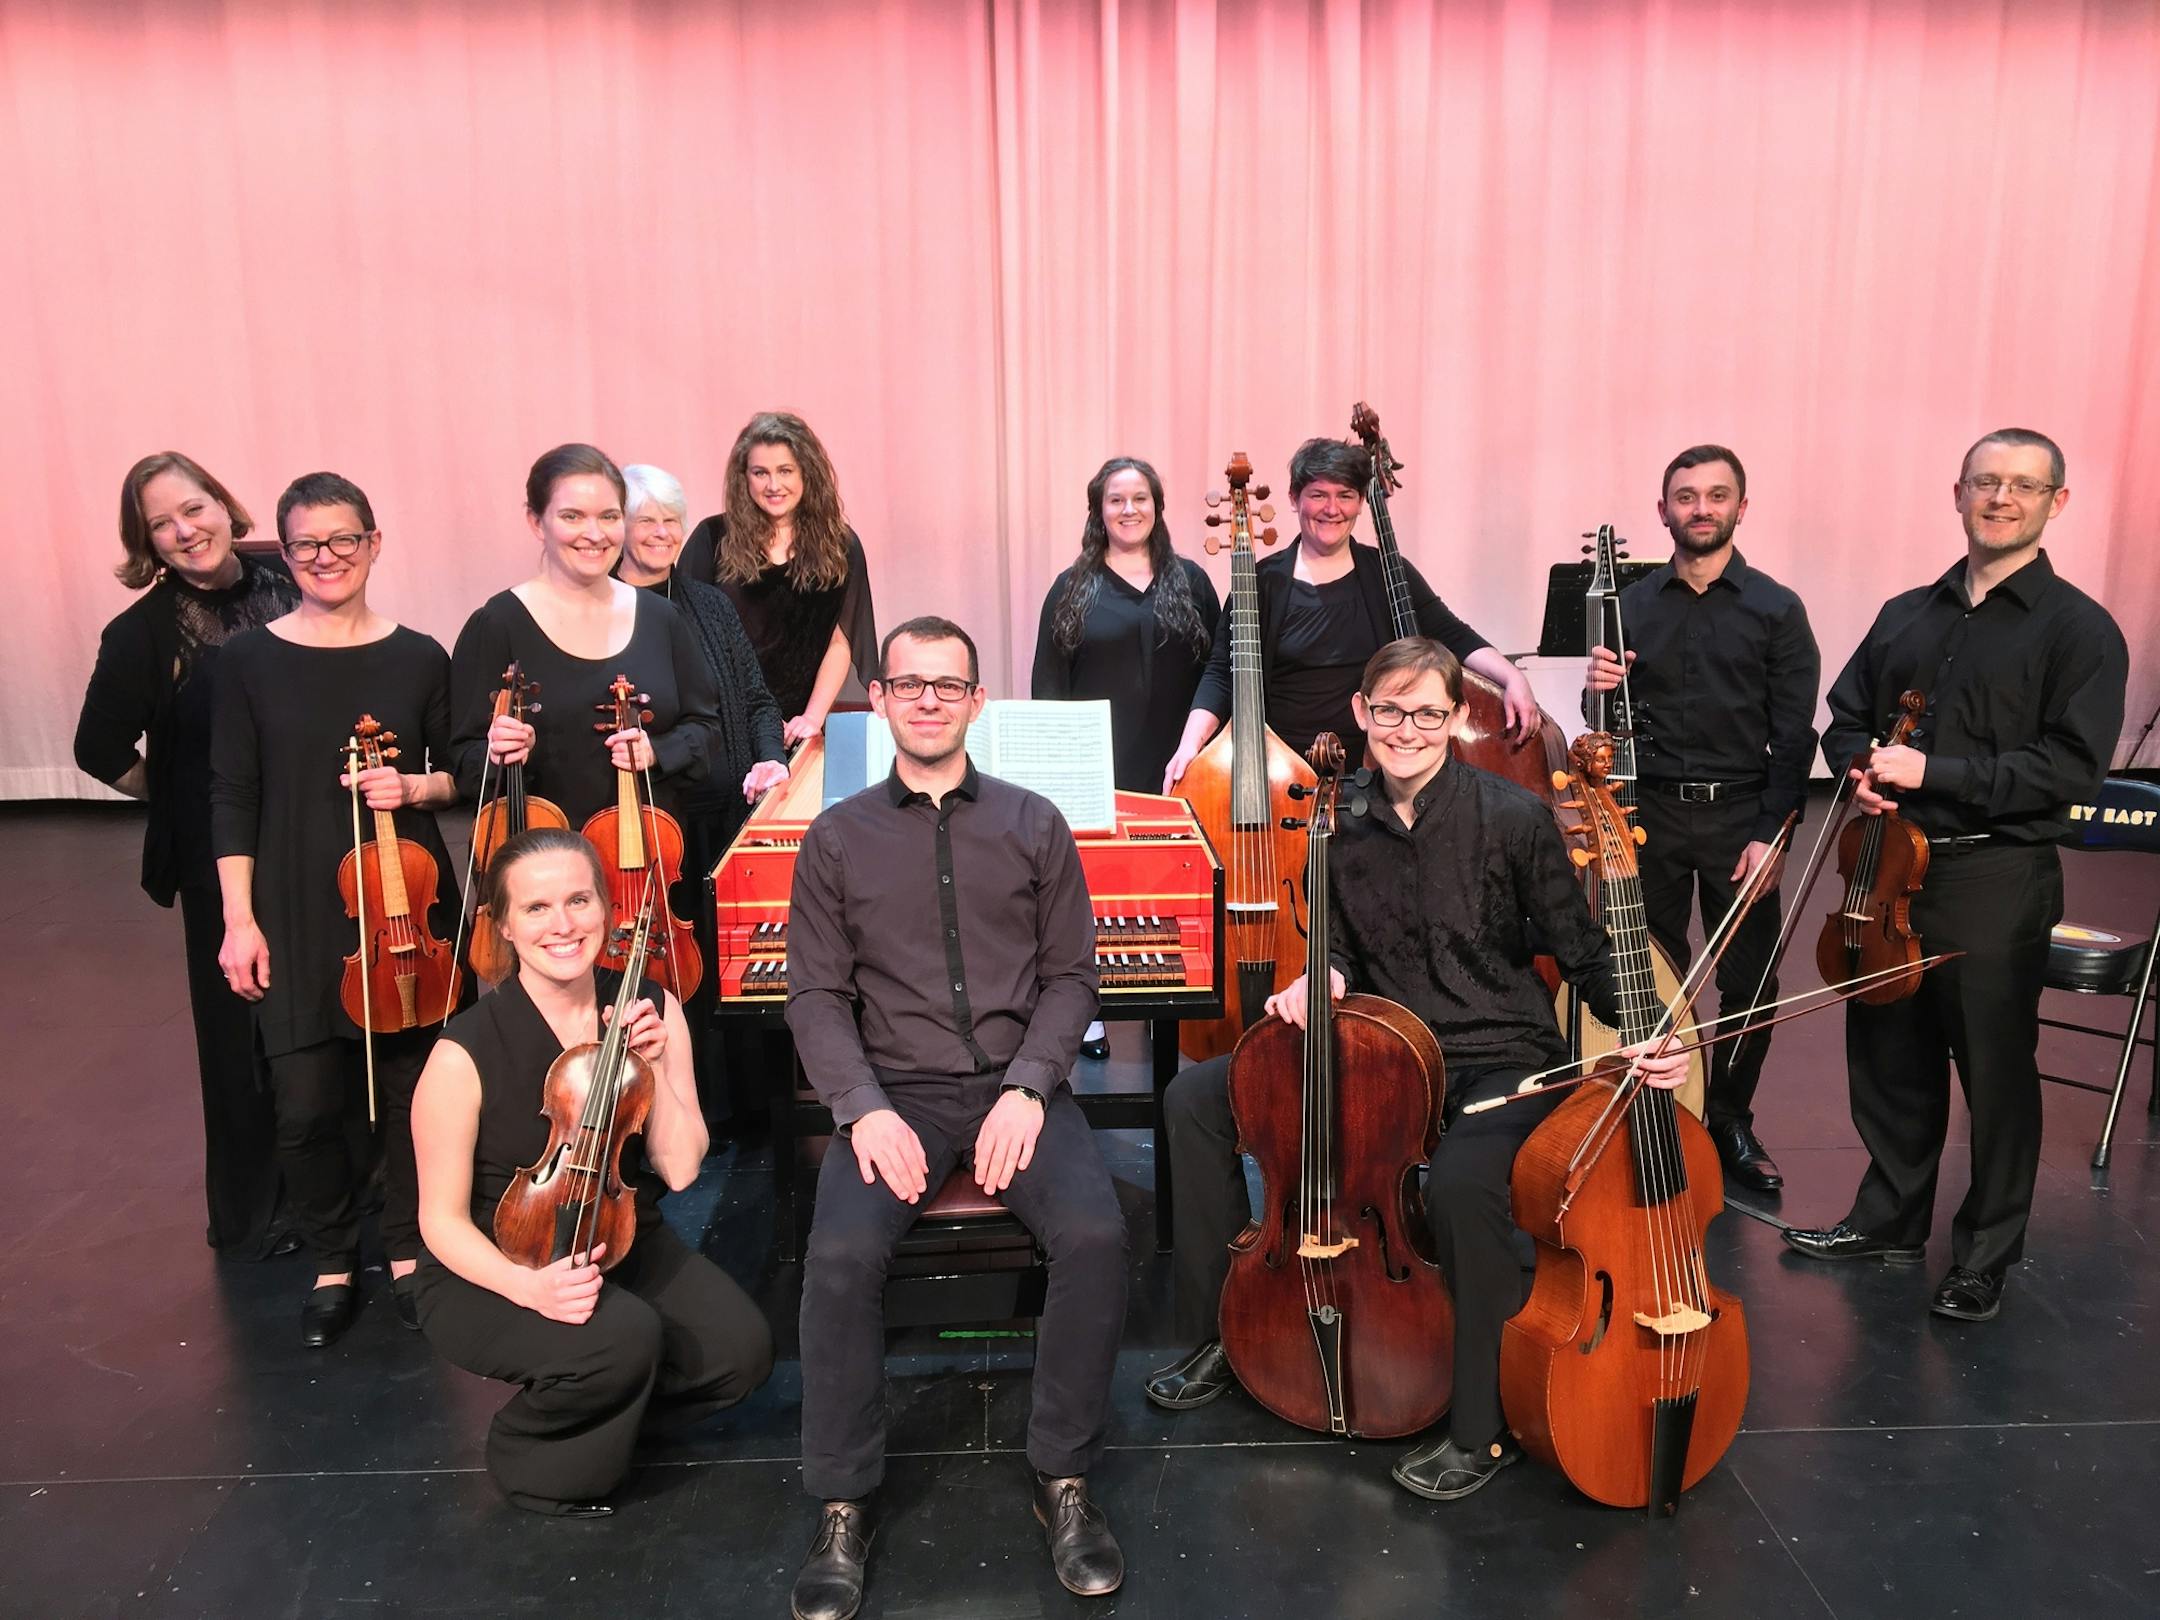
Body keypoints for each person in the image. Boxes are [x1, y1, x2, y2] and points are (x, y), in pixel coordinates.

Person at [1143, 637, 1689, 1501]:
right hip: (1381, 1049)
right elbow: (1342, 951)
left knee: (1464, 1185)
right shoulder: (1334, 818)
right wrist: (1322, 974)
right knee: (1197, 1098)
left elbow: (1584, 955)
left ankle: (1478, 1427)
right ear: (1361, 715)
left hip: (1495, 1057)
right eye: (1390, 710)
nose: (1408, 729)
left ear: (1456, 717)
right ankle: (1223, 1328)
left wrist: (1653, 1031)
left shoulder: (1512, 818)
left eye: (1429, 712)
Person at [785, 617, 1128, 1618]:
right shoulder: (836, 836)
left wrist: (1029, 1085)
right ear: (882, 700)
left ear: (979, 702)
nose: (928, 699)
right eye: (909, 684)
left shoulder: (1034, 823)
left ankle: (1062, 1477)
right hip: (895, 1095)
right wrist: (858, 1109)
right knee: (841, 1261)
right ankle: (844, 1501)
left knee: (1099, 1236)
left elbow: (1072, 975)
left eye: (949, 684)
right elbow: (813, 997)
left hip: (1017, 1089)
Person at [1783, 429, 2127, 1323]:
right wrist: (1858, 763)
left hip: (1994, 875)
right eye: (1985, 482)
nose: (2000, 497)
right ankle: (1889, 1219)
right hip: (1889, 871)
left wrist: (1933, 774)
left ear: (2057, 502)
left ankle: (1984, 1254)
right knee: (1888, 1053)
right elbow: (1848, 713)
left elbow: (2070, 769)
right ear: (1959, 494)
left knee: (1995, 1072)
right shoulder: (1908, 610)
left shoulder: (2080, 630)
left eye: (2022, 485)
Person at [409, 827, 772, 1516]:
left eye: (579, 900)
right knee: (624, 1336)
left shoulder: (649, 1007)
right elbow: (438, 1221)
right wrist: (528, 1289)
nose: (564, 925)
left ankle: (615, 1414)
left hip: (615, 1232)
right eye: (537, 908)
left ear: (606, 908)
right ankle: (529, 1455)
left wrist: (661, 1065)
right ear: (505, 925)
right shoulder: (462, 1051)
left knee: (740, 1352)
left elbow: (683, 1167)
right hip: (493, 1262)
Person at [211, 471, 461, 1345]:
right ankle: (329, 1255)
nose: (328, 557)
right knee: (305, 1099)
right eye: (308, 544)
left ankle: (403, 1247)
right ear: (286, 554)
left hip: (401, 899)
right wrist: (239, 920)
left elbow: (458, 772)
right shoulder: (244, 661)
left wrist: (415, 782)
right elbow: (233, 794)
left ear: (374, 544)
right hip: (291, 899)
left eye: (344, 539)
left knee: (409, 1087)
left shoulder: (420, 655)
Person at [74, 452, 299, 1261]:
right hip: (218, 851)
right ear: (148, 542)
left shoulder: (291, 576)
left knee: (319, 1014)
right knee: (239, 1030)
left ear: (222, 504)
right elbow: (97, 748)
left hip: (308, 836)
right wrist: (171, 800)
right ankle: (256, 1213)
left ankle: (345, 1186)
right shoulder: (139, 634)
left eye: (194, 508)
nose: (185, 530)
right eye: (162, 523)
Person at [1583, 445, 1819, 1194]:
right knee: (1652, 969)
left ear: (1740, 508)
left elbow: (1795, 735)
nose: (1701, 508)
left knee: (1752, 980)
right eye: (1686, 497)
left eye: (1717, 496)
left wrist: (1772, 831)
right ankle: (1666, 1108)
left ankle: (1730, 1117)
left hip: (1739, 818)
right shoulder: (1635, 603)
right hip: (1647, 813)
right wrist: (1597, 692)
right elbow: (1604, 731)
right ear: (1665, 511)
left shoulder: (1776, 608)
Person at [1160, 436, 1538, 791]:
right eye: (1318, 495)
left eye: (1346, 495)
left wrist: (1512, 679)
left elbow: (1453, 635)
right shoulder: (1260, 582)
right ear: (1294, 498)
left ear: (1360, 502)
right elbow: (1221, 675)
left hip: (1377, 769)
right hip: (1282, 773)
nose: (1332, 508)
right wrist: (1190, 747)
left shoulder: (1386, 573)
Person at [615, 461, 791, 1122]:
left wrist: (771, 760)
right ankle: (681, 1118)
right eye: (646, 520)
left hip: (733, 823)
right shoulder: (604, 615)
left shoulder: (710, 604)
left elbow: (756, 700)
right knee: (670, 979)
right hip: (656, 830)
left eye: (671, 520)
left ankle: (752, 1119)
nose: (661, 533)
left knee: (737, 971)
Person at [1031, 454, 1222, 1059]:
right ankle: (1083, 1010)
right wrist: (1057, 769)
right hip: (1096, 769)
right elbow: (1048, 687)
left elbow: (1220, 672)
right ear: (1098, 511)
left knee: (1170, 888)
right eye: (1116, 500)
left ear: (1158, 508)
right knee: (1084, 892)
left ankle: (1171, 992)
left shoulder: (1190, 581)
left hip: (1182, 765)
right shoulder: (1071, 588)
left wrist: (1203, 751)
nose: (1129, 509)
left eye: (1140, 498)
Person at [450, 443, 727, 831]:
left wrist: (657, 751)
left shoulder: (662, 619)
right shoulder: (498, 623)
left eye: (609, 516)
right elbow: (462, 760)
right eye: (572, 516)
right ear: (536, 522)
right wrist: (499, 755)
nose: (594, 534)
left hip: (647, 865)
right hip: (541, 863)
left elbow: (705, 728)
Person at [681, 411, 877, 745]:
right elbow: (686, 641)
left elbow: (839, 642)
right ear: (745, 478)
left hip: (799, 728)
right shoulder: (712, 537)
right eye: (760, 473)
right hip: (723, 727)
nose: (773, 485)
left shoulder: (841, 545)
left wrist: (812, 718)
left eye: (785, 471)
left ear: (806, 474)